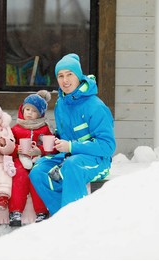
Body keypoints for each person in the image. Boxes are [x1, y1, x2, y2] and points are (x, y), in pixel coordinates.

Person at [29, 53, 116, 216]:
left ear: (79, 76)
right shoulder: (61, 104)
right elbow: (64, 136)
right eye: (60, 76)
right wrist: (52, 142)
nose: (65, 80)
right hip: (68, 155)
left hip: (97, 159)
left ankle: (74, 219)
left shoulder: (96, 106)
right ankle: (60, 216)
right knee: (38, 171)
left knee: (71, 166)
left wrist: (71, 146)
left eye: (70, 74)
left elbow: (108, 146)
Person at [8, 90, 54, 226]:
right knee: (20, 176)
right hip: (20, 159)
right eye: (27, 109)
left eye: (33, 111)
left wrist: (40, 150)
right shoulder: (16, 129)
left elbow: (53, 147)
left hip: (39, 160)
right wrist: (17, 149)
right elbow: (8, 146)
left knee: (36, 177)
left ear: (40, 114)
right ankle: (15, 212)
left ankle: (41, 212)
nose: (29, 112)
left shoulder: (45, 129)